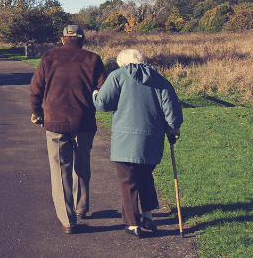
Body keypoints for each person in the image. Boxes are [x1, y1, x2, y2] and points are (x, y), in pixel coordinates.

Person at [93, 48, 183, 238]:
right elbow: (171, 111)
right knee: (145, 175)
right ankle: (148, 215)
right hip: (152, 139)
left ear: (123, 63)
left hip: (125, 139)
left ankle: (133, 224)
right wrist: (173, 128)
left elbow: (103, 104)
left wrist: (95, 94)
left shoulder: (118, 76)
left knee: (128, 180)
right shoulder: (159, 79)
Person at [29, 25, 107, 234]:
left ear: (62, 39)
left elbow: (36, 87)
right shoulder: (93, 59)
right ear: (82, 39)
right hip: (84, 121)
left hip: (55, 121)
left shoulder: (49, 56)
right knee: (82, 164)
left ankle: (68, 220)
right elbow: (103, 90)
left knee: (60, 170)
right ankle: (81, 207)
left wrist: (37, 112)